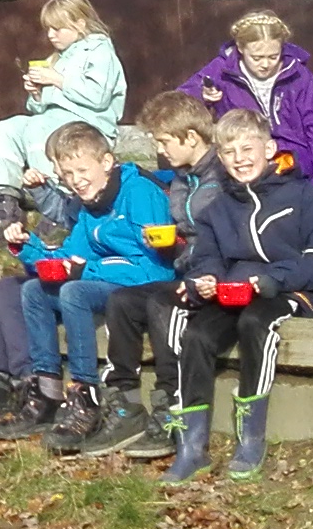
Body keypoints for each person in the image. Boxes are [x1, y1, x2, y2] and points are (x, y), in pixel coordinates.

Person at [163, 108, 313, 482]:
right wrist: (207, 280)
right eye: (229, 152)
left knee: (256, 321)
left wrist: (274, 278)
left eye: (248, 149)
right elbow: (207, 258)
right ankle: (192, 446)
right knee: (195, 334)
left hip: (297, 289)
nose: (240, 159)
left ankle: (250, 435)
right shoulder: (217, 209)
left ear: (269, 148)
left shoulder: (303, 196)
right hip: (236, 292)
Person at [0, 121, 174, 449]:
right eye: (67, 174)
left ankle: (87, 396)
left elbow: (153, 265)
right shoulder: (90, 205)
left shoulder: (139, 193)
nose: (75, 181)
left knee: (74, 291)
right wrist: (28, 245)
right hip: (107, 281)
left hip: (143, 285)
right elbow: (70, 254)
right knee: (34, 290)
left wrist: (88, 269)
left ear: (107, 163)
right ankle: (47, 392)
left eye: (82, 170)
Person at [84, 91, 216, 459]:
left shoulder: (221, 179)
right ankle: (125, 403)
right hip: (184, 268)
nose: (160, 150)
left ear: (191, 138)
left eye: (163, 141)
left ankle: (170, 406)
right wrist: (168, 243)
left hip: (214, 275)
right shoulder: (179, 179)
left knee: (161, 303)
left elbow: (226, 232)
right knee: (123, 301)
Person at [180, 11, 313, 185]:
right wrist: (202, 95)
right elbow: (178, 102)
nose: (265, 65)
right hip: (241, 161)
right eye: (256, 58)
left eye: (273, 57)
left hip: (293, 163)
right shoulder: (221, 70)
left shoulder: (299, 76)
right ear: (240, 48)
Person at [23, 0, 128, 134]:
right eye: (48, 29)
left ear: (80, 25)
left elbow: (98, 98)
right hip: (51, 121)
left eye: (57, 29)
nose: (50, 35)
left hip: (88, 128)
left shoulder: (100, 54)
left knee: (38, 128)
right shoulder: (55, 59)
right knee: (4, 130)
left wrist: (56, 79)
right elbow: (38, 110)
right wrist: (36, 94)